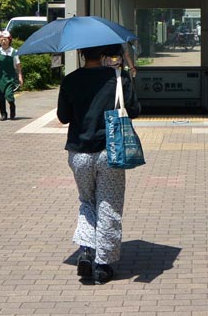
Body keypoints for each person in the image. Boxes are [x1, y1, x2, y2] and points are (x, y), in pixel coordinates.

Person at [57, 44, 141, 285]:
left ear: (81, 53)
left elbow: (63, 117)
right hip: (110, 151)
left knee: (87, 201)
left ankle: (86, 250)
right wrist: (126, 76)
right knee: (109, 205)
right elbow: (134, 110)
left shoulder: (71, 80)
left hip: (79, 153)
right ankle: (103, 265)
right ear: (104, 53)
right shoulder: (117, 78)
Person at [0, 30, 24, 120]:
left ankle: (12, 110)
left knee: (9, 95)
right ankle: (3, 114)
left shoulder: (14, 52)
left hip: (9, 78)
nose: (3, 41)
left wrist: (20, 76)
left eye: (5, 39)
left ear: (9, 40)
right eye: (2, 40)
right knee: (0, 97)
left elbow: (18, 65)